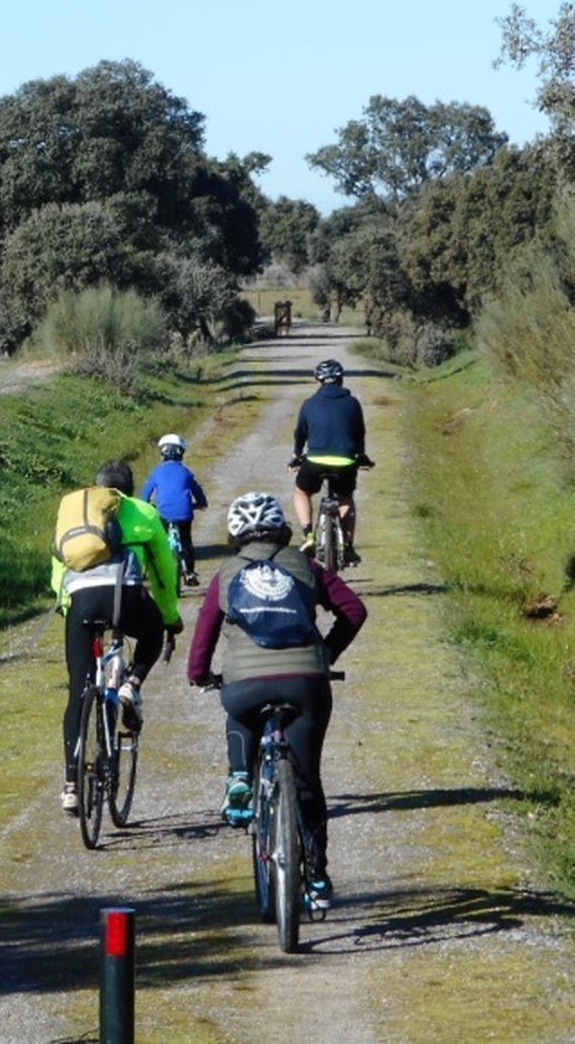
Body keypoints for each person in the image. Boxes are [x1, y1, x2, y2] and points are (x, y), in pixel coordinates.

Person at [188, 492, 367, 910]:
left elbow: (204, 637)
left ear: (235, 534)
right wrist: (325, 653)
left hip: (245, 683)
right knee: (308, 779)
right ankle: (318, 877)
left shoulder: (226, 574)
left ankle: (239, 777)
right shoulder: (306, 566)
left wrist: (200, 675)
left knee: (237, 706)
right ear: (283, 528)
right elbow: (354, 611)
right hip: (306, 681)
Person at [51, 460, 183, 814]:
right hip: (125, 597)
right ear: (127, 488)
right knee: (152, 633)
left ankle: (71, 785)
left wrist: (67, 608)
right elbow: (163, 570)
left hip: (81, 601)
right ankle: (130, 684)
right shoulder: (142, 511)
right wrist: (171, 618)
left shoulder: (76, 514)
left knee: (78, 689)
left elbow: (59, 567)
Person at [289, 358, 373, 566]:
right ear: (341, 380)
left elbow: (300, 434)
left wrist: (297, 455)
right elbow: (359, 433)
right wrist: (361, 455)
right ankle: (348, 544)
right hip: (345, 461)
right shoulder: (352, 403)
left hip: (315, 461)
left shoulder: (309, 404)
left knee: (302, 492)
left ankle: (308, 535)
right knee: (345, 498)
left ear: (318, 380)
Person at [141, 433, 209, 587]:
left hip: (163, 513)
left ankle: (159, 571)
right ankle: (189, 571)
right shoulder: (185, 472)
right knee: (186, 541)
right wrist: (201, 503)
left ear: (162, 454)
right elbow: (197, 492)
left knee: (161, 541)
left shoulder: (157, 472)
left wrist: (147, 505)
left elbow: (146, 494)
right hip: (184, 512)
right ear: (181, 454)